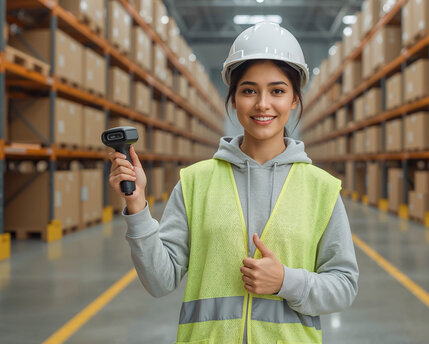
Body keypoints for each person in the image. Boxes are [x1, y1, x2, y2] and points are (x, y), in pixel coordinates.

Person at [108, 21, 359, 344]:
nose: (262, 104)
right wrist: (137, 205)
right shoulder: (196, 183)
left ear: (295, 100)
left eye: (278, 91)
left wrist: (286, 281)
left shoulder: (321, 189)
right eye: (249, 90)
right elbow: (160, 281)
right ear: (234, 99)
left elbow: (344, 286)